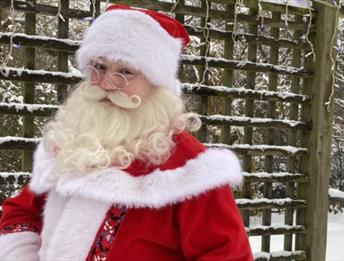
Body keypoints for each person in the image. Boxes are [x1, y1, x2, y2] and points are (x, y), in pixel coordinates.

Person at [0, 4, 253, 260]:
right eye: (99, 67)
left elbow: (228, 255)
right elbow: (21, 213)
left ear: (155, 82)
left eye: (126, 71)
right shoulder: (73, 143)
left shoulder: (192, 170)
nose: (108, 83)